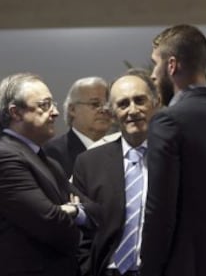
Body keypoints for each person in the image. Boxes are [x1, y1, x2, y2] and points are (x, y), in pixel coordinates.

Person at [140, 24, 206, 276]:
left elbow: (160, 211)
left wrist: (149, 269)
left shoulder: (168, 121)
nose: (153, 75)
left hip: (180, 266)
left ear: (172, 65)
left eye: (155, 64)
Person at [0, 72, 101, 276]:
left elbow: (96, 212)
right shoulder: (2, 158)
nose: (55, 112)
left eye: (52, 104)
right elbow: (50, 224)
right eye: (44, 105)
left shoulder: (47, 161)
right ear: (16, 112)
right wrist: (71, 213)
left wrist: (72, 210)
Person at [72, 69, 159, 276]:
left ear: (155, 104)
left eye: (139, 100)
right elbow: (80, 231)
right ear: (111, 114)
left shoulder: (174, 160)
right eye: (123, 104)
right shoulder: (89, 163)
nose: (132, 110)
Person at [43, 77, 113, 178]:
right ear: (72, 110)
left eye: (108, 104)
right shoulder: (53, 152)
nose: (104, 110)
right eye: (95, 104)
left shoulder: (119, 150)